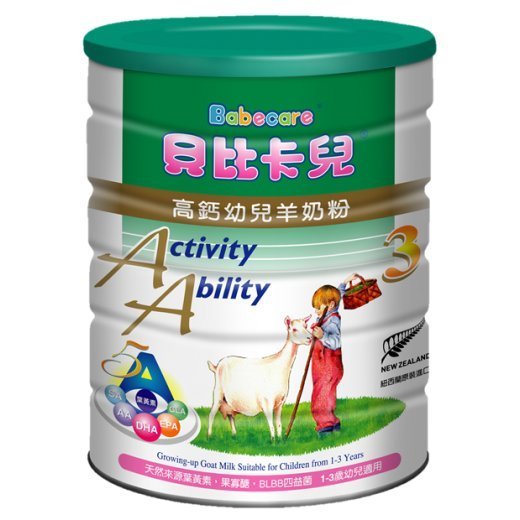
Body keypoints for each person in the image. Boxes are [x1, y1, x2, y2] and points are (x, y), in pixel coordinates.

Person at [310, 275, 355, 436]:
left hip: (328, 367)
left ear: (330, 305)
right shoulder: (330, 310)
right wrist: (344, 283)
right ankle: (334, 424)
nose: (316, 311)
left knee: (320, 398)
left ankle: (325, 427)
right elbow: (337, 296)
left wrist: (322, 336)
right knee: (327, 396)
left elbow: (335, 342)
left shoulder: (333, 321)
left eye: (318, 307)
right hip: (322, 367)